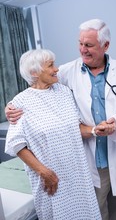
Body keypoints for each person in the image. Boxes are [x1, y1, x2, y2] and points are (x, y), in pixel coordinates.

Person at [5, 19, 116, 220]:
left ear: (105, 45)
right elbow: (38, 86)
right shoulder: (66, 72)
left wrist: (115, 123)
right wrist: (10, 107)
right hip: (90, 155)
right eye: (80, 43)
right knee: (96, 208)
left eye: (88, 45)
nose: (82, 50)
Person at [5, 49, 103, 220]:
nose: (56, 69)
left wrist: (96, 129)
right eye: (50, 65)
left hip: (78, 172)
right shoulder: (20, 102)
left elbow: (75, 127)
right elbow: (16, 144)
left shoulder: (64, 92)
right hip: (50, 178)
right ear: (34, 72)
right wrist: (44, 172)